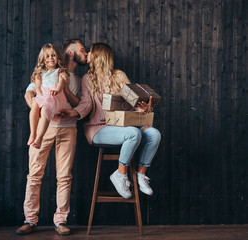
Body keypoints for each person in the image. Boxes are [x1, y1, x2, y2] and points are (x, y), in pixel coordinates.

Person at [61, 43, 161, 199]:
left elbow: (131, 100)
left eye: (91, 52)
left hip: (124, 124)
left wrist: (143, 108)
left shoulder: (119, 75)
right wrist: (73, 112)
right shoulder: (88, 79)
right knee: (133, 133)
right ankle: (120, 175)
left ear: (100, 55)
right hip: (99, 128)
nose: (87, 54)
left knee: (154, 134)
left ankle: (140, 175)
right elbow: (86, 104)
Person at [16, 39, 87, 236]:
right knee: (34, 175)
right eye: (82, 50)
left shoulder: (75, 79)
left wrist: (63, 92)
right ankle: (30, 220)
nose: (51, 58)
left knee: (64, 176)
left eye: (53, 55)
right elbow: (29, 94)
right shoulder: (43, 74)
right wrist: (42, 106)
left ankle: (61, 220)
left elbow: (79, 103)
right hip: (44, 129)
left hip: (67, 130)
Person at [27, 43, 68, 149]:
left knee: (45, 110)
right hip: (43, 95)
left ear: (57, 57)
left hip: (54, 96)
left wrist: (56, 90)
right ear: (43, 58)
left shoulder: (60, 71)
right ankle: (33, 133)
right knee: (35, 105)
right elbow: (37, 87)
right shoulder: (40, 72)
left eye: (53, 55)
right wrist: (40, 97)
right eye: (48, 56)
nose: (51, 58)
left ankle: (39, 138)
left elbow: (61, 84)